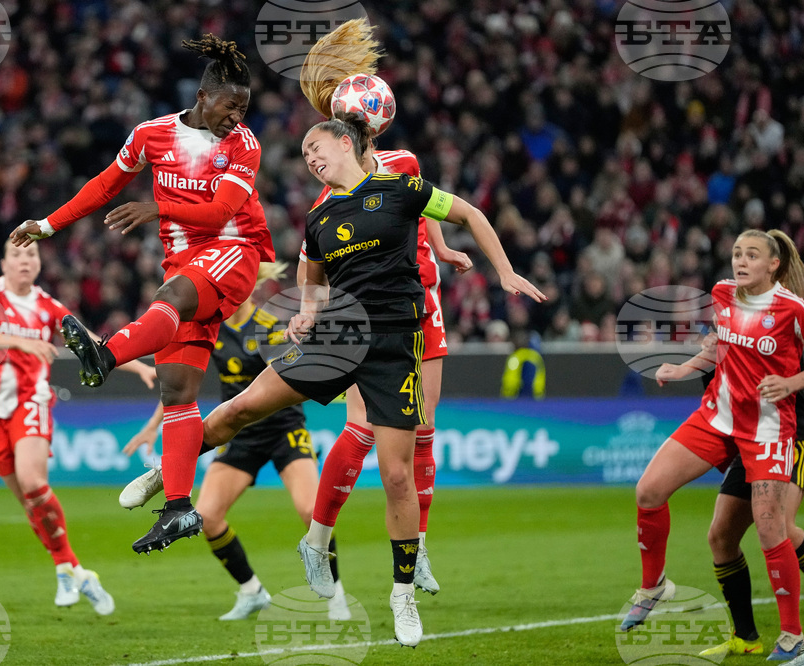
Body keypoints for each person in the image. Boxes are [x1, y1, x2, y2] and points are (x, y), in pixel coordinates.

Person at [200, 114, 546, 647]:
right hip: (336, 341)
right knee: (246, 404)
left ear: (346, 143)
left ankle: (401, 594)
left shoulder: (403, 189)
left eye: (316, 147)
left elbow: (470, 213)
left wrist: (503, 271)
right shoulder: (319, 218)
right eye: (304, 153)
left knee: (396, 476)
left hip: (394, 349)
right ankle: (168, 473)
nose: (310, 158)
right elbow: (311, 283)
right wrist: (305, 314)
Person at [10, 35, 275, 555]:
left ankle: (105, 355)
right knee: (177, 392)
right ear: (203, 96)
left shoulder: (243, 146)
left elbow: (221, 215)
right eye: (230, 105)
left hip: (233, 251)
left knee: (171, 296)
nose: (237, 117)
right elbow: (106, 184)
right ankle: (178, 508)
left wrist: (157, 210)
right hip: (186, 260)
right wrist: (47, 224)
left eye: (244, 109)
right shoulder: (151, 135)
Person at [294, 18, 474, 597]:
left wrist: (445, 251)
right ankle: (318, 537)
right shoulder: (329, 192)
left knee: (424, 431)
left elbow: (426, 213)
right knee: (361, 427)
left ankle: (415, 549)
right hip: (367, 311)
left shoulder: (406, 164)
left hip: (422, 300)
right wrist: (312, 310)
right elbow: (309, 257)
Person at [120, 263, 352, 621]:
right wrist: (154, 426)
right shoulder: (212, 328)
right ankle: (251, 591)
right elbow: (180, 386)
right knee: (208, 517)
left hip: (283, 430)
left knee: (311, 512)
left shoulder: (271, 324)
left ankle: (335, 595)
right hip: (237, 435)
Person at [623, 229, 804, 661]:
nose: (740, 262)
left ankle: (795, 640)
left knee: (771, 528)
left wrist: (791, 382)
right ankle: (654, 586)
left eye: (751, 255)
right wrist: (683, 367)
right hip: (717, 418)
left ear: (773, 264)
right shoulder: (723, 294)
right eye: (735, 254)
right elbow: (718, 349)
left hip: (768, 430)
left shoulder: (793, 309)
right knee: (648, 491)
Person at [0, 240, 156, 614]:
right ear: (4, 262)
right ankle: (73, 570)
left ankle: (67, 571)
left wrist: (138, 366)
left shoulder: (48, 307)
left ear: (38, 264)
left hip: (30, 401)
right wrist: (19, 341)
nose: (24, 261)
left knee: (34, 483)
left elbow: (91, 344)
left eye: (31, 255)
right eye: (16, 255)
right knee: (30, 505)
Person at [700, 360, 804, 657]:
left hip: (791, 435)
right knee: (721, 536)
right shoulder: (722, 322)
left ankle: (793, 637)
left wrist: (790, 383)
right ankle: (746, 637)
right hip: (751, 438)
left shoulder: (788, 313)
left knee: (780, 528)